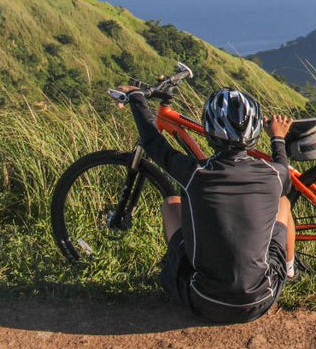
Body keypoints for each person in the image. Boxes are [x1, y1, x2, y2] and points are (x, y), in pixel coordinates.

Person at [116, 85, 296, 323]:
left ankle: (177, 270)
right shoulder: (275, 175)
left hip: (204, 301)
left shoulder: (193, 173)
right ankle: (290, 269)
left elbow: (152, 140)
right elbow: (283, 168)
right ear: (255, 132)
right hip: (260, 300)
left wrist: (136, 96)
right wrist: (278, 138)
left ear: (209, 132)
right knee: (283, 203)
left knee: (171, 204)